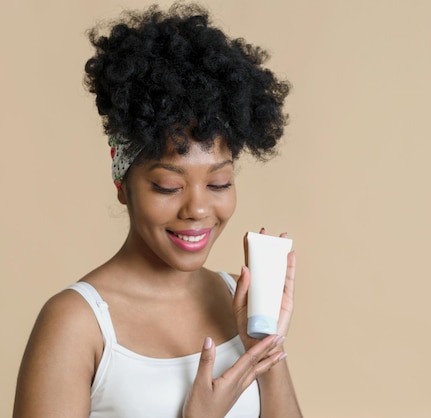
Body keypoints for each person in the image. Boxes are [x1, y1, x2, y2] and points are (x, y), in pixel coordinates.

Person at [12, 3, 301, 417]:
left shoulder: (238, 299)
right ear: (122, 185)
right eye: (168, 186)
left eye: (219, 183)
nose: (198, 208)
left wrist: (265, 345)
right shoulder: (76, 325)